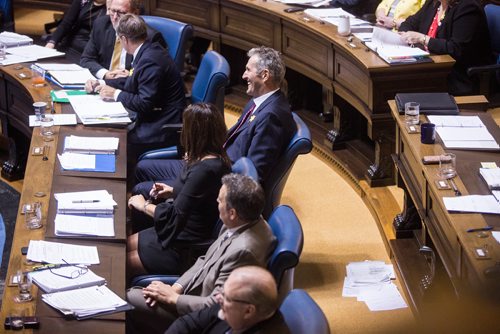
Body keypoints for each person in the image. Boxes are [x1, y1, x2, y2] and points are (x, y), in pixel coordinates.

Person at [133, 46, 296, 199]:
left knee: (142, 189)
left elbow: (253, 175)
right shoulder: (259, 102)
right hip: (211, 165)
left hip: (216, 180)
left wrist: (205, 166)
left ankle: (161, 225)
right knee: (142, 168)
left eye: (248, 70)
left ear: (265, 75)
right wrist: (202, 154)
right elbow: (232, 140)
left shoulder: (271, 116)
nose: (243, 76)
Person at [126, 173, 276, 333]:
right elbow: (205, 259)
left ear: (232, 213)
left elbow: (218, 304)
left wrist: (173, 298)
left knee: (128, 299)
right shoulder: (244, 219)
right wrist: (176, 287)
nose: (216, 203)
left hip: (198, 315)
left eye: (220, 201)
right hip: (189, 291)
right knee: (135, 294)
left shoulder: (244, 251)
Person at [126, 103, 232, 278]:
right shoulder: (210, 157)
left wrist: (143, 205)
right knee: (121, 245)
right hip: (176, 233)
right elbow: (196, 197)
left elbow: (174, 217)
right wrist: (172, 191)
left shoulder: (205, 169)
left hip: (183, 247)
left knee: (120, 262)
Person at [84, 14, 185, 159]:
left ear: (124, 39)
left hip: (164, 123)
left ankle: (127, 178)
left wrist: (115, 94)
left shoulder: (150, 60)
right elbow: (134, 81)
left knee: (119, 140)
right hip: (156, 112)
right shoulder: (148, 49)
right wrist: (101, 83)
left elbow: (145, 104)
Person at [398, 0, 492, 95]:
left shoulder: (468, 7)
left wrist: (423, 39)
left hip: (458, 76)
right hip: (434, 68)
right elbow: (408, 23)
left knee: (404, 84)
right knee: (400, 78)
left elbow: (455, 49)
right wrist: (406, 35)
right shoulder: (433, 3)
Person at [165, 266, 291, 334]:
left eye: (225, 297)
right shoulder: (234, 304)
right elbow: (188, 322)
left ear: (248, 311)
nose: (218, 298)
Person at [80, 0, 166, 80]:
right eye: (112, 11)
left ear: (135, 13)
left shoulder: (150, 37)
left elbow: (150, 77)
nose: (114, 18)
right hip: (103, 83)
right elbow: (87, 59)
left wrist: (128, 77)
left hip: (129, 88)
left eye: (121, 13)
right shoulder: (101, 25)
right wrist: (106, 74)